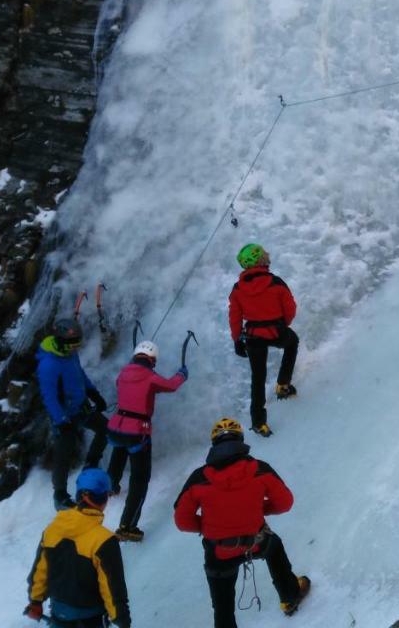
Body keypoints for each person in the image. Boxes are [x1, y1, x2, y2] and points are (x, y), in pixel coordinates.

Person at [174, 419, 311, 626]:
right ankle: (290, 597)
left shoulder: (199, 478)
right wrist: (259, 509)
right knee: (274, 547)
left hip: (219, 552)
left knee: (222, 607)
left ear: (214, 445)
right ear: (240, 440)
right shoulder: (259, 469)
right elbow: (285, 503)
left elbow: (182, 521)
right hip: (256, 542)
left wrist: (211, 526)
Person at [25, 467, 131, 627]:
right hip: (90, 619)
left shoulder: (53, 529)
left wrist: (35, 601)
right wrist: (122, 619)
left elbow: (41, 569)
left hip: (59, 615)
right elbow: (111, 588)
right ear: (104, 499)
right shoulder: (104, 541)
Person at [104, 340, 187, 542]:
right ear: (152, 359)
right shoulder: (151, 377)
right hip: (137, 431)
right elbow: (170, 385)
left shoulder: (123, 372)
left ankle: (110, 485)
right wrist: (181, 374)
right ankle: (127, 526)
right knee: (140, 480)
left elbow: (122, 386)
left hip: (116, 427)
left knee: (119, 449)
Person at [37, 318, 110, 510]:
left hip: (80, 407)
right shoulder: (49, 364)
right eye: (72, 344)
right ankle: (59, 495)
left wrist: (94, 394)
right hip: (63, 415)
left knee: (106, 429)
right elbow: (49, 396)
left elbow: (79, 375)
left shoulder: (70, 354)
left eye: (78, 344)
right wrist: (61, 420)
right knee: (64, 452)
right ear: (61, 341)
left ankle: (91, 465)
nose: (75, 348)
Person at [228, 243, 299, 437]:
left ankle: (259, 423)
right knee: (292, 343)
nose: (268, 256)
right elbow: (290, 309)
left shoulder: (237, 289)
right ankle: (283, 385)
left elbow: (235, 316)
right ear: (260, 260)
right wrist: (282, 324)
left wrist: (237, 340)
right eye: (264, 254)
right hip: (276, 331)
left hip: (252, 337)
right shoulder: (275, 282)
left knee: (257, 378)